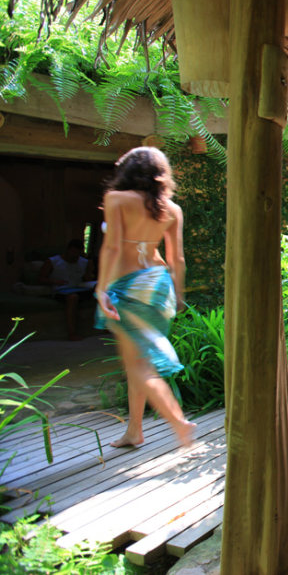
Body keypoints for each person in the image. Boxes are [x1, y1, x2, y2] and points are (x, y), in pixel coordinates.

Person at [95, 146, 195, 448]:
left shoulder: (116, 199)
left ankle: (178, 422)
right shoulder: (171, 209)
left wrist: (100, 289)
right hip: (159, 286)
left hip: (129, 288)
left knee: (138, 365)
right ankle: (134, 431)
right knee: (137, 360)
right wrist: (178, 296)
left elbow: (112, 248)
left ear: (129, 171)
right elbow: (177, 260)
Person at [38, 239, 97, 340]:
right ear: (68, 250)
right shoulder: (53, 261)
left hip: (80, 288)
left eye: (78, 253)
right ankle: (72, 333)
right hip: (62, 290)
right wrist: (54, 281)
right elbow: (41, 278)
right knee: (73, 298)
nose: (75, 256)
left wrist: (89, 277)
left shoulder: (84, 262)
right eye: (73, 252)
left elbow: (88, 278)